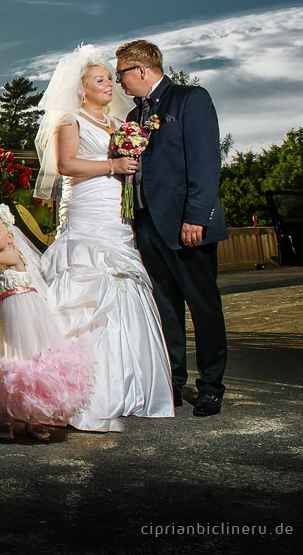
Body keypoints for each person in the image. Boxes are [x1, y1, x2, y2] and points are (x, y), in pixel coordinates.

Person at [35, 43, 175, 431]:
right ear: (81, 89)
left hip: (116, 217)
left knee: (124, 290)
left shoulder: (120, 125)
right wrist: (112, 163)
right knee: (86, 290)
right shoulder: (70, 119)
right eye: (100, 80)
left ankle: (130, 388)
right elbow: (66, 164)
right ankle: (79, 391)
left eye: (110, 78)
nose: (109, 85)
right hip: (86, 213)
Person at [114, 39, 228, 417]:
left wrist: (196, 215)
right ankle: (174, 382)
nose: (119, 83)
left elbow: (206, 161)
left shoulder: (190, 99)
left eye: (122, 75)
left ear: (141, 70)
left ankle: (211, 385)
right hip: (147, 226)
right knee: (166, 310)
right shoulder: (133, 119)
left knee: (203, 307)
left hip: (185, 224)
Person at [0, 204, 93, 441]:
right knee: (3, 362)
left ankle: (33, 418)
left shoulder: (12, 255)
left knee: (26, 361)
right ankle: (5, 418)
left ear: (10, 236)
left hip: (23, 317)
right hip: (0, 320)